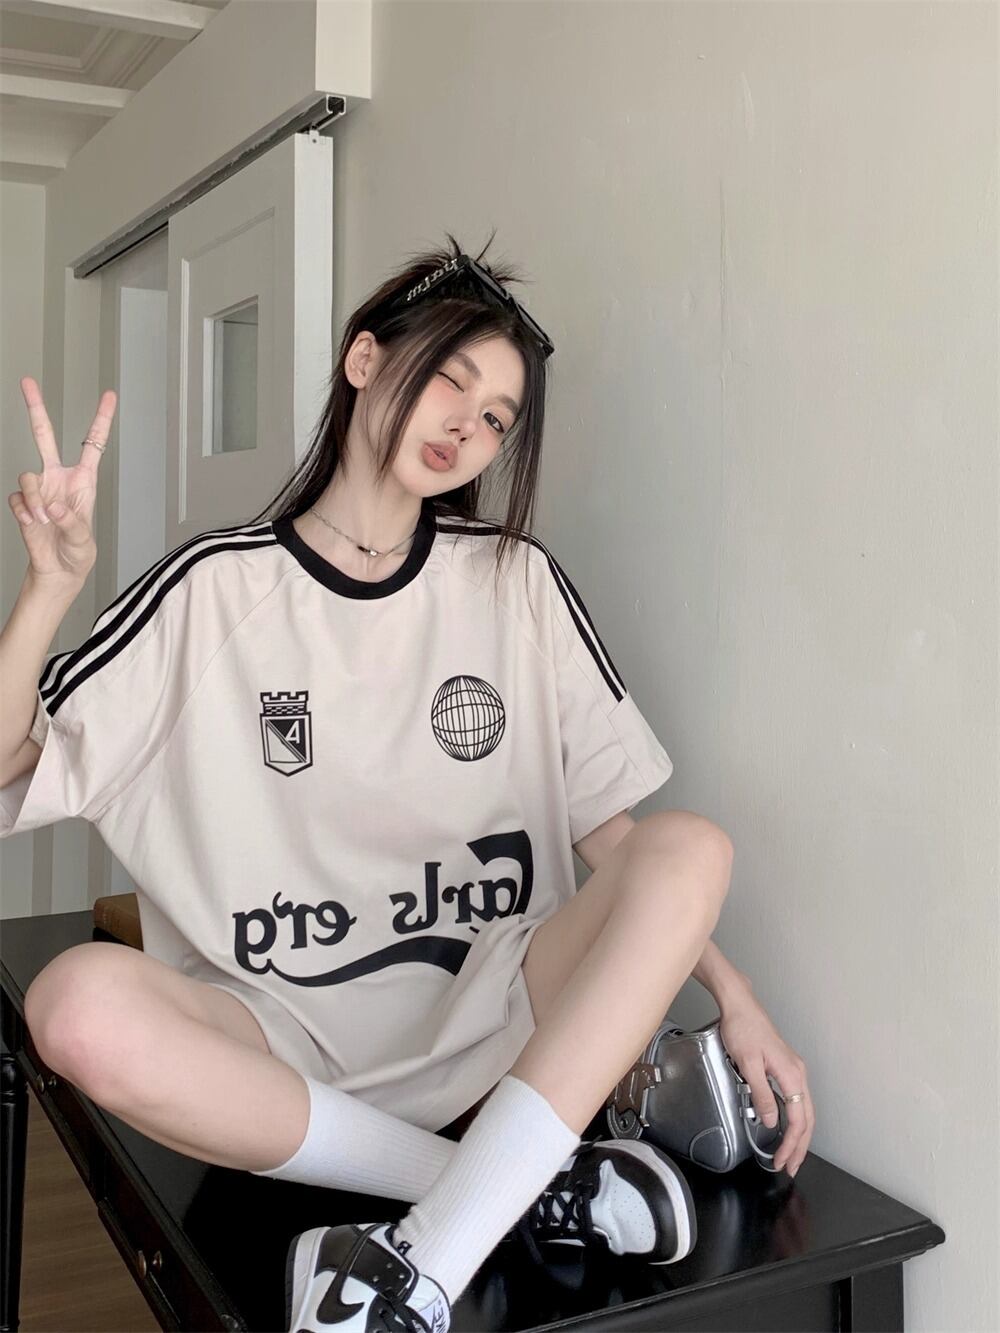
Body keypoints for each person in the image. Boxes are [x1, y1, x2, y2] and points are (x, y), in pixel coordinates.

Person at [0, 231, 814, 1333]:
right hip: (278, 1046)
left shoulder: (516, 583)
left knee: (694, 845)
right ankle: (512, 1187)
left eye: (498, 417)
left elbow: (618, 838)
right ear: (366, 359)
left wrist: (737, 996)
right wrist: (47, 589)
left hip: (497, 1021)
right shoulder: (210, 590)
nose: (469, 427)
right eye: (451, 381)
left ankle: (425, 1257)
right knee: (72, 1005)